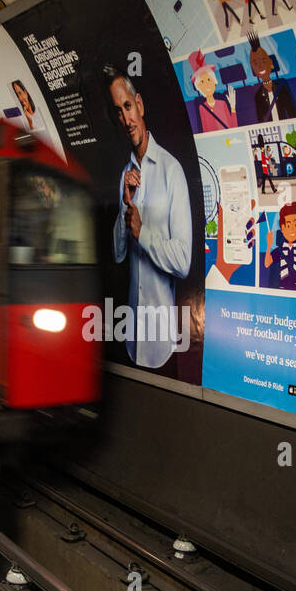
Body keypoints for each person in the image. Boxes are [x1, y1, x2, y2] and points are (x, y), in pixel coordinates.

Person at [106, 65, 193, 370]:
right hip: (131, 338)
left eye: (128, 106)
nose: (126, 119)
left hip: (161, 345)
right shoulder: (125, 175)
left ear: (139, 105)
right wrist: (123, 203)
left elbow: (183, 261)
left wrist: (143, 232)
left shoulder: (172, 170)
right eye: (119, 112)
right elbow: (117, 255)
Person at [249, 31, 296, 121]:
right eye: (255, 63)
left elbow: (293, 113)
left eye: (263, 61)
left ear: (270, 63)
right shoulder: (258, 95)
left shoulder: (282, 87)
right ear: (253, 69)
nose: (260, 66)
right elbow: (261, 121)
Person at [188, 50, 237, 132]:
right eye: (202, 82)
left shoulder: (223, 104)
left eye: (208, 79)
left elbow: (234, 128)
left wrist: (232, 107)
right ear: (198, 87)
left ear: (214, 81)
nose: (207, 85)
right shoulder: (202, 108)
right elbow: (205, 131)